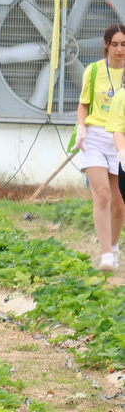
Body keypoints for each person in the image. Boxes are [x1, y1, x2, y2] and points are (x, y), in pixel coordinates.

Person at [75, 26, 125, 268]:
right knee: (102, 194)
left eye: (124, 44)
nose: (119, 49)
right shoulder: (93, 70)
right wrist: (81, 128)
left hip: (120, 138)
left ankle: (114, 246)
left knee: (119, 203)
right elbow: (83, 104)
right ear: (106, 44)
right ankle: (106, 255)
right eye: (115, 44)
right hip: (95, 137)